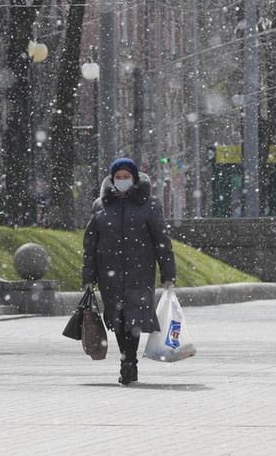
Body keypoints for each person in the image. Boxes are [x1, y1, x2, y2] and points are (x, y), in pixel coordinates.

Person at [82, 157, 177, 386]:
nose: (122, 181)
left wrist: (168, 275)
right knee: (116, 318)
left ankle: (129, 361)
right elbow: (90, 245)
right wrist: (89, 277)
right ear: (112, 179)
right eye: (118, 177)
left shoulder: (149, 204)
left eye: (126, 177)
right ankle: (126, 359)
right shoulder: (101, 205)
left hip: (139, 273)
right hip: (109, 273)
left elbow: (161, 242)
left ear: (134, 179)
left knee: (133, 317)